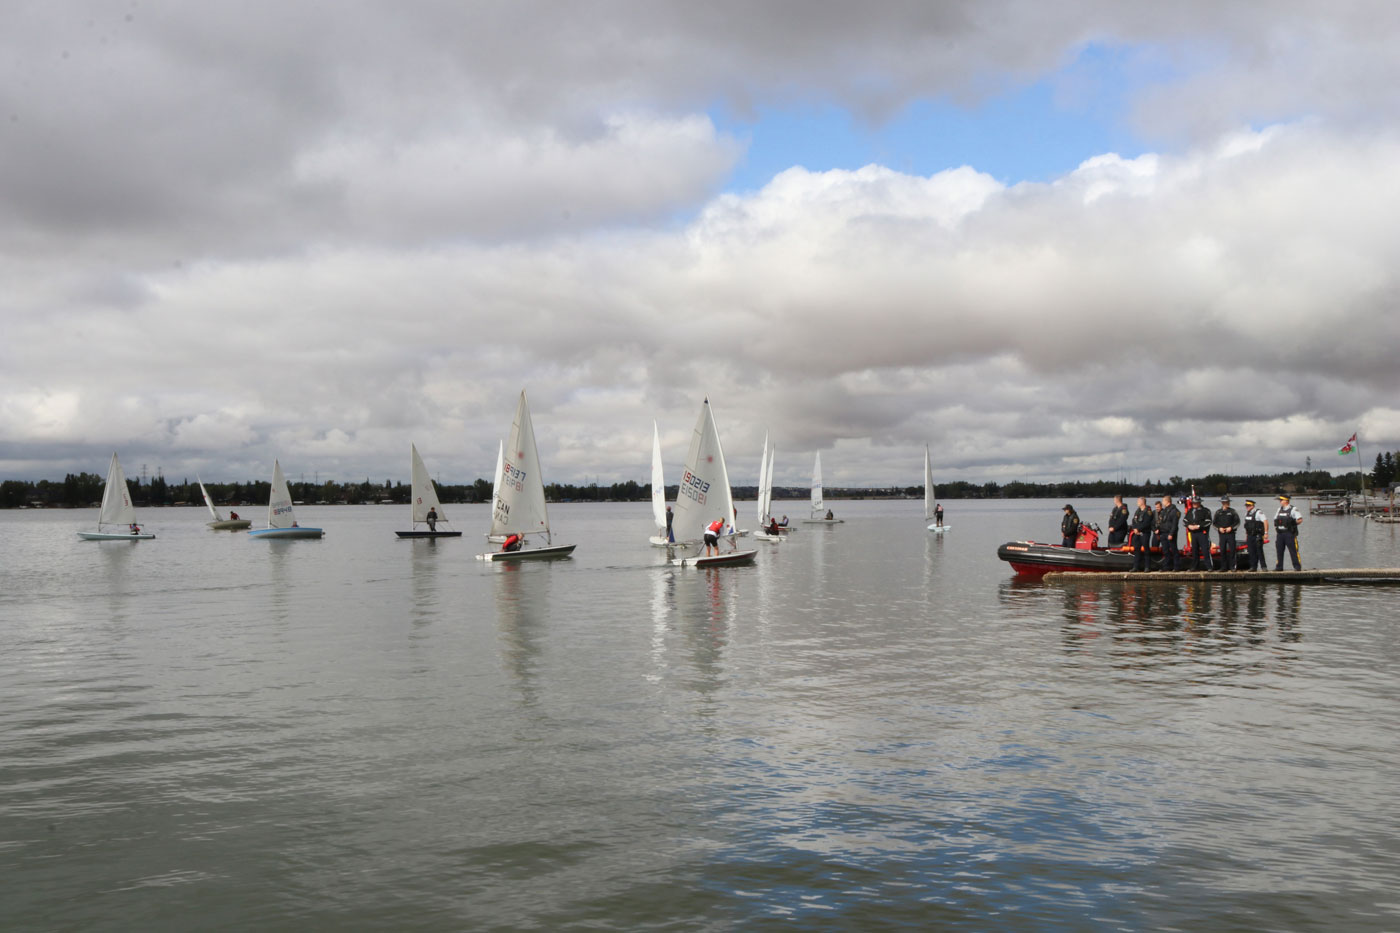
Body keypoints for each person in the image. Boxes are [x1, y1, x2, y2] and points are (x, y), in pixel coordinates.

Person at [1274, 494, 1303, 570]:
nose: (1280, 502)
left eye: (1281, 500)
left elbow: (1300, 520)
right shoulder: (1279, 509)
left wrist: (1293, 523)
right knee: (1279, 551)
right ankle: (1279, 567)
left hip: (1289, 533)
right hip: (1280, 533)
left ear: (1286, 501)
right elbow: (1275, 520)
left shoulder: (1293, 509)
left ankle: (1297, 567)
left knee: (1293, 551)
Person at [1184, 495, 1213, 570]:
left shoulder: (1205, 511)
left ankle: (1209, 566)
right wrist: (1189, 526)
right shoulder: (1190, 511)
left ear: (1199, 503)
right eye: (1193, 502)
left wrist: (1199, 526)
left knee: (1205, 550)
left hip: (1202, 533)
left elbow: (1208, 521)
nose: (1194, 504)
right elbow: (1185, 520)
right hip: (1193, 533)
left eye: (1196, 503)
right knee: (1194, 550)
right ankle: (1194, 566)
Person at [1213, 495, 1240, 571]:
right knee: (1222, 550)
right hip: (1222, 534)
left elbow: (1237, 522)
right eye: (1224, 502)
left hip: (1230, 533)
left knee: (1232, 550)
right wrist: (1219, 528)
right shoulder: (1218, 512)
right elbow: (1214, 523)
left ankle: (1233, 566)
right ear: (1222, 503)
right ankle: (1223, 567)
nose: (1226, 504)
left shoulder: (1233, 512)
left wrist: (1231, 528)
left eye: (1227, 502)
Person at [1130, 495, 1154, 571]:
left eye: (1138, 501)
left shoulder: (1148, 511)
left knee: (1146, 549)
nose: (1137, 503)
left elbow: (1147, 522)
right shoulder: (1138, 511)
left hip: (1144, 533)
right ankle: (1136, 567)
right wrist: (1134, 528)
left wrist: (1139, 529)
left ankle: (1147, 567)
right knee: (1136, 549)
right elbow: (1134, 520)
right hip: (1137, 533)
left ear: (1142, 502)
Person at [1243, 498, 1268, 570]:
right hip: (1250, 535)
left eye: (1248, 505)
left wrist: (1266, 533)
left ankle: (1263, 566)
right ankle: (1253, 567)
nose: (1247, 507)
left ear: (1252, 506)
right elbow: (1247, 526)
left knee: (1259, 551)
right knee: (1251, 551)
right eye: (1246, 505)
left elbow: (1265, 522)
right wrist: (1246, 536)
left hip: (1257, 535)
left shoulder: (1258, 513)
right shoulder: (1246, 514)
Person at [1157, 494, 1181, 570]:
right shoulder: (1164, 511)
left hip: (1170, 533)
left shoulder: (1174, 511)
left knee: (1174, 550)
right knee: (1165, 551)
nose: (1162, 502)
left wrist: (1171, 533)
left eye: (1163, 501)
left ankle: (1176, 566)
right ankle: (1166, 566)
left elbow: (1174, 524)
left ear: (1167, 501)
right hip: (1163, 533)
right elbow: (1161, 522)